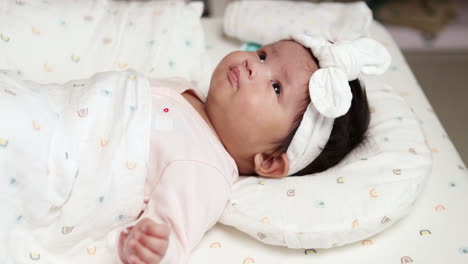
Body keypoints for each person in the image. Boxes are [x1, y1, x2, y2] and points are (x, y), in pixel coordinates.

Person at [116, 34, 390, 264]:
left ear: (270, 161)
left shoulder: (204, 168)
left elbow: (172, 232)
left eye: (276, 87)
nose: (252, 65)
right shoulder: (184, 87)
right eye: (262, 56)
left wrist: (150, 247)